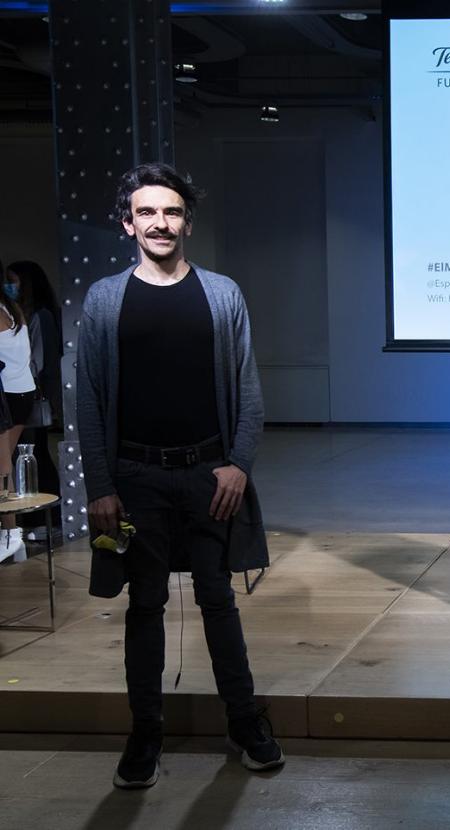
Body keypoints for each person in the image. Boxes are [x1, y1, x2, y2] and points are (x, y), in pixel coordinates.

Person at [77, 163, 283, 789]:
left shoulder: (221, 294)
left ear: (186, 222)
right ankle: (145, 733)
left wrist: (238, 466)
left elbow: (248, 390)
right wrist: (101, 487)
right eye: (147, 212)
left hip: (206, 473)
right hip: (136, 477)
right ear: (128, 223)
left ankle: (244, 721)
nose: (159, 223)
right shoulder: (105, 299)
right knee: (145, 606)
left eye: (170, 212)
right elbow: (88, 398)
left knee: (219, 601)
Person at [7, 260, 62, 527]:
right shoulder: (19, 314)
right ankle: (34, 519)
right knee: (28, 454)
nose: (11, 287)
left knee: (34, 454)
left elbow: (41, 360)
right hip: (25, 393)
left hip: (32, 395)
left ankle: (42, 519)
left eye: (15, 281)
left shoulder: (40, 316)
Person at [0, 255, 36, 562]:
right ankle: (12, 536)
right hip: (20, 393)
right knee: (3, 465)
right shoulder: (11, 309)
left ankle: (11, 536)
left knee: (2, 466)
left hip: (10, 397)